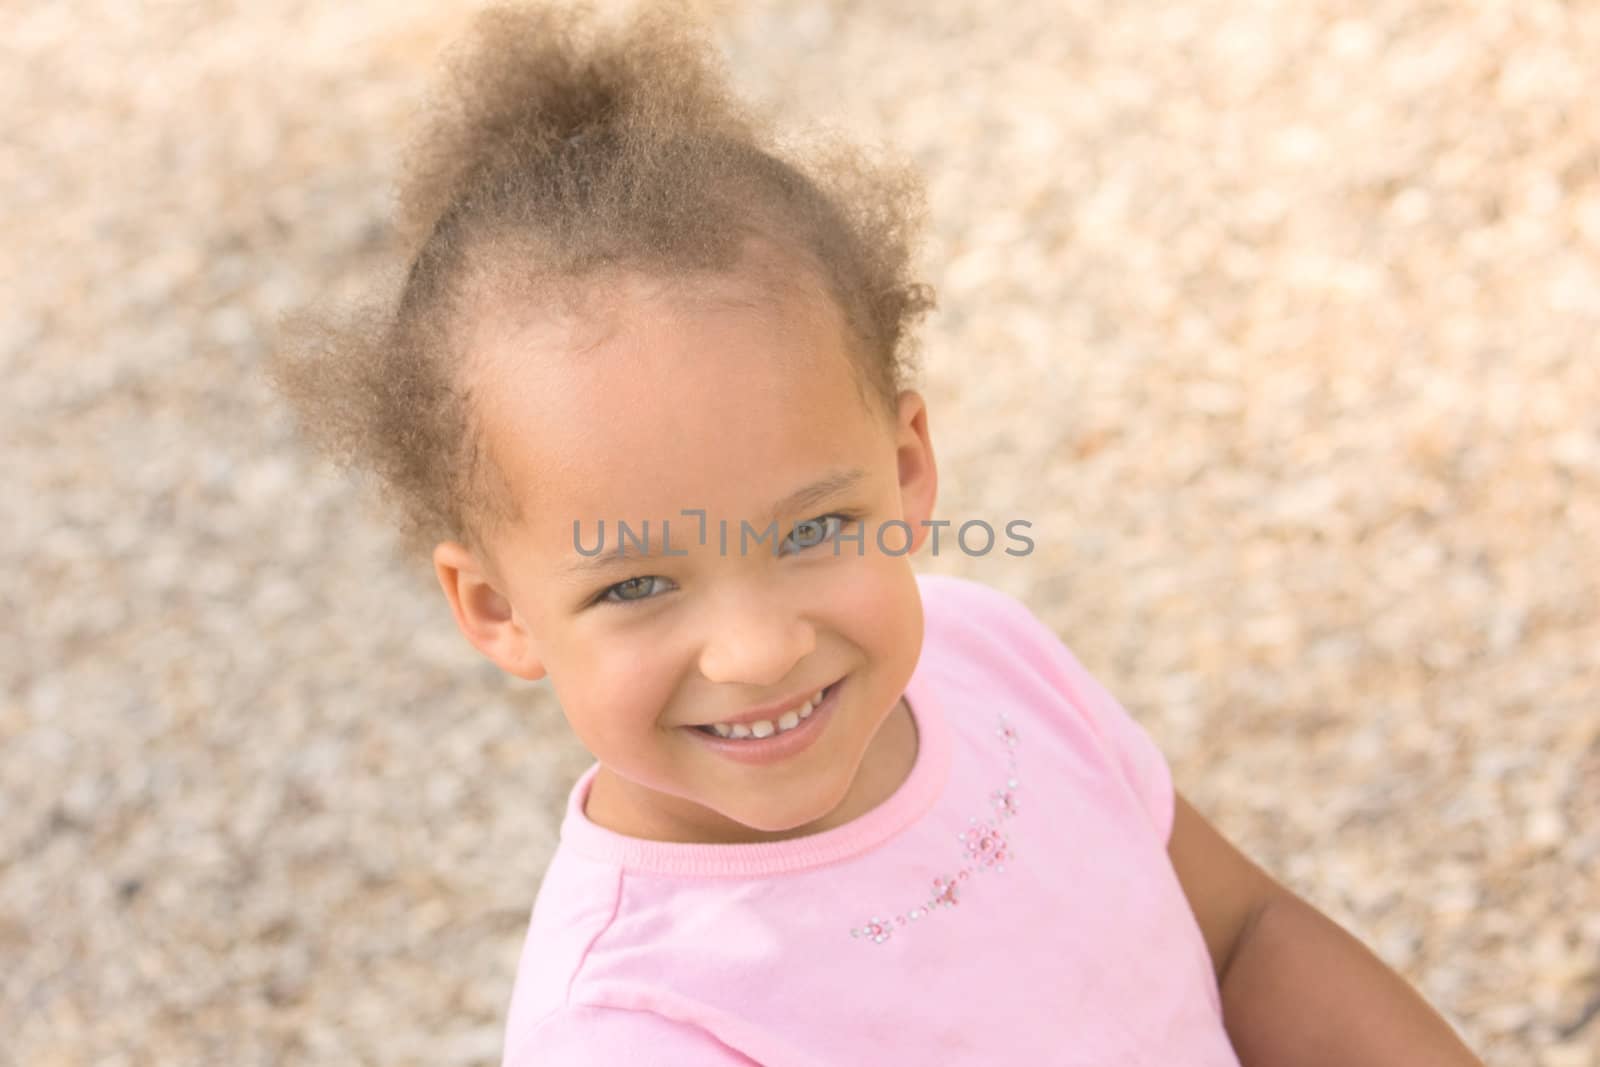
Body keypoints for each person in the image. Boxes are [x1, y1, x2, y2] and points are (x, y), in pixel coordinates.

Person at [269, 3, 1486, 1063]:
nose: (753, 649)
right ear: (494, 607)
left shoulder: (983, 652)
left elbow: (1240, 934)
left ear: (906, 470)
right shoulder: (637, 1022)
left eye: (811, 533)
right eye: (639, 579)